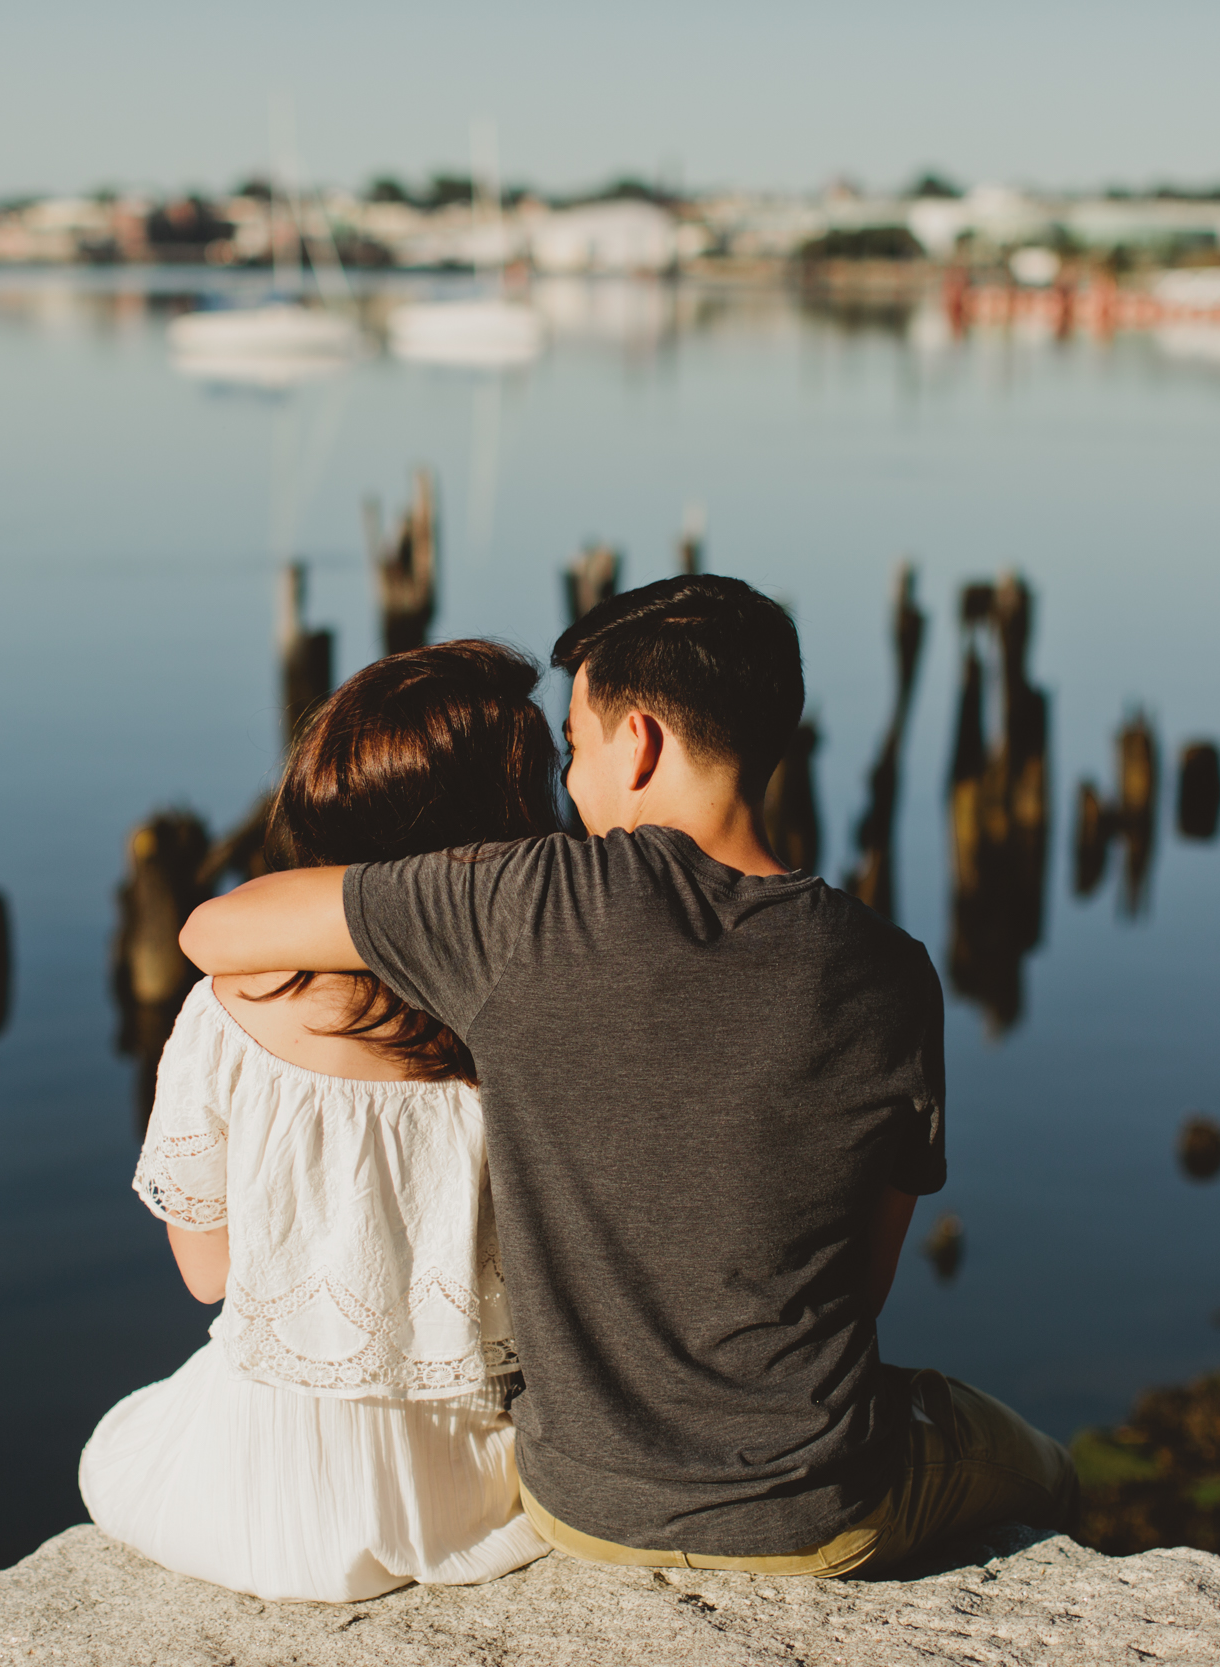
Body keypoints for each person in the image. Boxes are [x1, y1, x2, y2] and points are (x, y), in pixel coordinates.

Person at [181, 574, 1076, 1579]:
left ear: (639, 740)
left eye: (576, 745)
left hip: (579, 1506)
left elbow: (213, 928)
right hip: (819, 1514)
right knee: (1040, 1467)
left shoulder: (524, 906)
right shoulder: (891, 970)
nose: (568, 784)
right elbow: (858, 1287)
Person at [79, 640, 558, 1603]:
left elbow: (206, 1273)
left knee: (117, 1446)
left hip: (257, 1490)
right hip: (458, 1489)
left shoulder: (226, 1011)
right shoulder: (532, 1018)